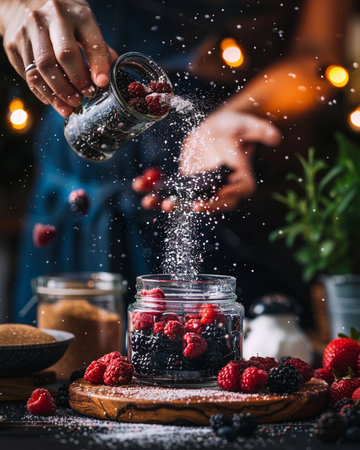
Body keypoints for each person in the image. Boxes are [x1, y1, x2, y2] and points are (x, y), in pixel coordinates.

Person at [0, 0, 352, 322]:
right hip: (79, 184)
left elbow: (316, 56)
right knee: (57, 373)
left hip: (222, 193)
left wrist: (235, 114)